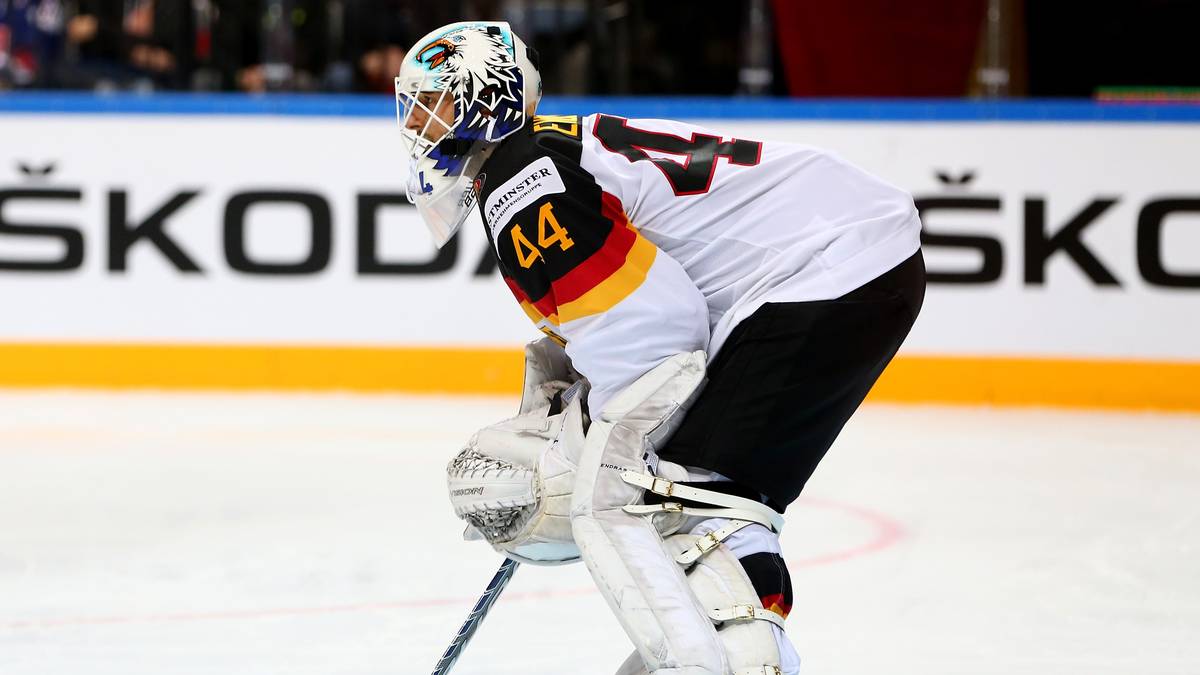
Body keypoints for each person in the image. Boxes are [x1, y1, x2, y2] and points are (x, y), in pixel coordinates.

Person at [399, 21, 925, 675]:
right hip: (842, 260)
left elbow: (658, 333)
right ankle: (729, 649)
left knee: (649, 496)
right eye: (414, 104)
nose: (421, 122)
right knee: (701, 493)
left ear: (492, 97)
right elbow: (633, 316)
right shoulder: (537, 162)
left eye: (438, 101)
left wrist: (579, 442)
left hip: (824, 267)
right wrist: (572, 405)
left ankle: (724, 660)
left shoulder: (523, 178)